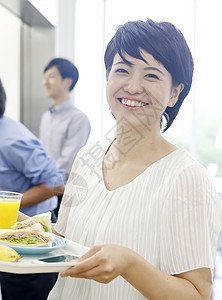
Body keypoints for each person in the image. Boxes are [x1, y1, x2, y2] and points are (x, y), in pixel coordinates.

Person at [48, 19, 222, 300]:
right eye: (122, 70)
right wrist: (26, 228)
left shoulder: (186, 176)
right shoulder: (88, 156)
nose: (132, 86)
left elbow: (197, 294)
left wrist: (129, 264)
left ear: (175, 92)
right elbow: (69, 242)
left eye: (151, 76)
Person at [0, 78, 65, 300]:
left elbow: (56, 183)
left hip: (34, 236)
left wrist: (7, 204)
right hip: (9, 233)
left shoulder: (10, 141)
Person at [39, 58, 91, 216]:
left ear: (67, 82)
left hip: (63, 193)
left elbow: (67, 164)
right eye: (45, 77)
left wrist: (41, 180)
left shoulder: (78, 119)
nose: (45, 82)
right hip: (43, 188)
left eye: (52, 76)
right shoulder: (46, 116)